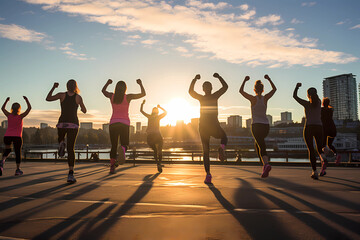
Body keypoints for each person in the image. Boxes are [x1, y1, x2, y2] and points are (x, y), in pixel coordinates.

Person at [189, 73, 228, 184]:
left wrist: (194, 79)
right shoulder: (215, 95)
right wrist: (219, 77)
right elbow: (225, 87)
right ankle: (221, 147)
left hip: (203, 127)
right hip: (214, 125)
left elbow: (190, 92)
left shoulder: (201, 98)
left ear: (203, 89)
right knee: (224, 137)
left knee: (206, 152)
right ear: (211, 89)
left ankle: (208, 175)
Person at [46, 80, 87, 183]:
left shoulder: (61, 95)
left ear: (67, 86)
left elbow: (48, 98)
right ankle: (70, 174)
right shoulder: (78, 97)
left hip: (62, 123)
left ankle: (61, 142)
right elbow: (85, 110)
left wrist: (53, 87)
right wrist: (81, 108)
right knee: (71, 149)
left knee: (60, 137)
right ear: (76, 86)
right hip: (73, 124)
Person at [102, 78, 145, 174]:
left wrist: (107, 83)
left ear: (116, 88)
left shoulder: (112, 96)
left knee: (113, 146)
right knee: (125, 144)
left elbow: (103, 91)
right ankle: (123, 149)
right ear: (125, 89)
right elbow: (143, 94)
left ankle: (112, 167)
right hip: (124, 124)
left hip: (113, 123)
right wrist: (140, 84)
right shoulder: (128, 97)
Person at [240, 75, 276, 178]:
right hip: (266, 126)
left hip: (256, 125)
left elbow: (241, 91)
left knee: (261, 145)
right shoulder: (265, 98)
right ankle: (264, 166)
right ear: (262, 89)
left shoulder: (252, 98)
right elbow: (274, 89)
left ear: (254, 89)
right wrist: (269, 79)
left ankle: (266, 164)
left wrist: (245, 80)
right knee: (258, 144)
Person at [293, 83, 327, 179]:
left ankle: (315, 172)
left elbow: (294, 96)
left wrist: (297, 87)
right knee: (319, 148)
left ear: (308, 95)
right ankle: (323, 156)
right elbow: (315, 99)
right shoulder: (319, 102)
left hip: (309, 127)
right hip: (319, 127)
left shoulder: (306, 104)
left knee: (311, 150)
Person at [1, 96, 31, 176]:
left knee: (7, 151)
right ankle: (17, 170)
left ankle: (2, 162)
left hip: (7, 136)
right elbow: (29, 108)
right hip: (17, 137)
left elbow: (2, 108)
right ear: (19, 109)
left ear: (12, 108)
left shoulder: (9, 115)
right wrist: (26, 100)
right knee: (17, 153)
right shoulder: (20, 116)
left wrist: (6, 101)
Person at [140, 100, 167, 173]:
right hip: (157, 135)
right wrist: (160, 107)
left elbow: (141, 111)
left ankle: (158, 164)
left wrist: (142, 104)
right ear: (157, 112)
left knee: (155, 150)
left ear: (152, 111)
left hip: (150, 136)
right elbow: (166, 112)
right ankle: (159, 163)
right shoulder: (158, 117)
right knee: (160, 150)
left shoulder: (149, 116)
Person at [321, 97, 340, 165]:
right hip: (332, 129)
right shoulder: (330, 110)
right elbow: (332, 107)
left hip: (325, 129)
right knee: (329, 145)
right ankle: (336, 154)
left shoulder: (321, 110)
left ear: (323, 104)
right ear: (328, 103)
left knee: (323, 145)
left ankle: (324, 158)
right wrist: (328, 104)